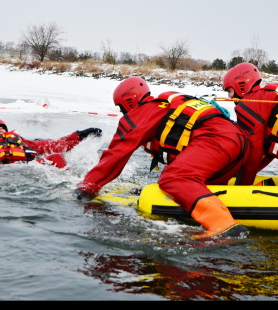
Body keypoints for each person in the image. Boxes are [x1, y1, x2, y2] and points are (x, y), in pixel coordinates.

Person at [74, 76, 250, 240]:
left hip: (215, 141)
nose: (122, 113)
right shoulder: (165, 105)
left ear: (128, 102)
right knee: (188, 182)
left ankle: (225, 227)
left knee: (173, 178)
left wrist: (86, 188)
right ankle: (216, 211)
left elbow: (115, 155)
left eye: (121, 109)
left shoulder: (140, 114)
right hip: (237, 141)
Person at [0, 118, 102, 179]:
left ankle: (71, 183)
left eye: (0, 128)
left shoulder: (25, 143)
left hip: (28, 166)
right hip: (0, 167)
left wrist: (80, 135)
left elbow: (54, 145)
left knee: (56, 157)